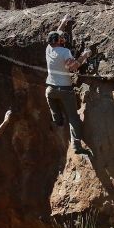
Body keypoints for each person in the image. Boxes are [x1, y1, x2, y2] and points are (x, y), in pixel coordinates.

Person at [45, 14, 91, 154]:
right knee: (73, 118)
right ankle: (76, 146)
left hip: (50, 90)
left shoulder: (48, 49)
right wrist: (85, 55)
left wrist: (63, 23)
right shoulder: (65, 52)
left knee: (51, 99)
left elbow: (56, 32)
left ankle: (57, 119)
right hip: (65, 90)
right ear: (59, 41)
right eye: (61, 38)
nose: (63, 38)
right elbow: (73, 67)